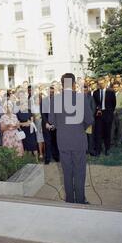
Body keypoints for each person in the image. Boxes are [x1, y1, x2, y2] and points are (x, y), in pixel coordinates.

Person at [49, 73, 94, 204]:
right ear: (74, 84)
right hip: (78, 140)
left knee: (67, 172)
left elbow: (52, 121)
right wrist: (81, 128)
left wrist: (62, 126)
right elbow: (90, 120)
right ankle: (80, 200)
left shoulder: (55, 99)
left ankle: (70, 200)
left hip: (63, 140)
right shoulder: (81, 98)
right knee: (79, 172)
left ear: (62, 84)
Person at [93, 77, 116, 156]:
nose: (101, 85)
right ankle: (98, 150)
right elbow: (95, 104)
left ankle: (107, 149)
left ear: (105, 83)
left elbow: (113, 104)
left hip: (108, 115)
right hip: (98, 116)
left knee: (107, 133)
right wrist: (97, 109)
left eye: (102, 83)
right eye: (99, 83)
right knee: (98, 133)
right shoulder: (95, 93)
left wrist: (109, 112)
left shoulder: (111, 92)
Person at [41, 86, 60, 165]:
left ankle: (56, 157)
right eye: (50, 92)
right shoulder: (44, 101)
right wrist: (47, 123)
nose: (51, 93)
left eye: (52, 92)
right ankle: (47, 158)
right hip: (46, 125)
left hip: (55, 125)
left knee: (55, 141)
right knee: (47, 142)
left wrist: (54, 124)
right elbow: (43, 114)